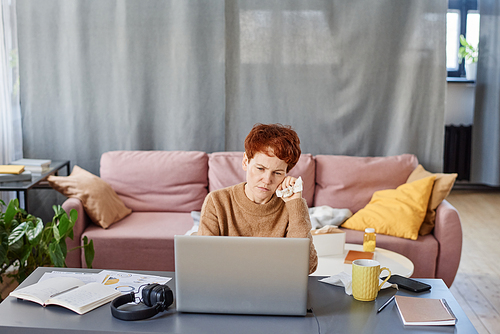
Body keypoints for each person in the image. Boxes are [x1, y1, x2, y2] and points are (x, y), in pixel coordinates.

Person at [198, 123, 318, 274]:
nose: (267, 180)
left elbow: (307, 267)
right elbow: (204, 262)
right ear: (245, 162)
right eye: (260, 168)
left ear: (286, 173)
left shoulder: (291, 206)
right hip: (227, 284)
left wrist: (295, 204)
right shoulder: (216, 201)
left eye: (278, 173)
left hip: (276, 288)